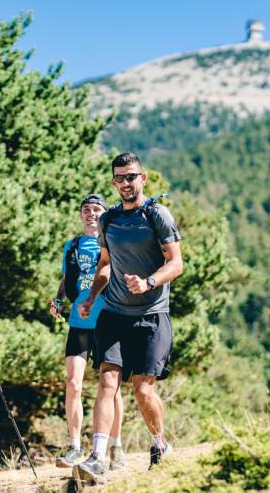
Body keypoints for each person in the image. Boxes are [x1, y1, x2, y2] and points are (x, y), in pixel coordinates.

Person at [75, 153, 183, 482]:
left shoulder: (156, 215)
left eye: (131, 176)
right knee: (108, 382)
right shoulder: (109, 220)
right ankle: (96, 457)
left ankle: (159, 442)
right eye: (119, 178)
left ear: (143, 178)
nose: (125, 183)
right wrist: (93, 296)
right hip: (114, 313)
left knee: (143, 390)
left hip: (152, 315)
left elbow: (176, 263)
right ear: (113, 182)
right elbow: (105, 262)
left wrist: (149, 281)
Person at [49, 194, 126, 470]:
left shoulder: (112, 244)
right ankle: (74, 446)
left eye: (96, 210)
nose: (90, 214)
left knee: (111, 388)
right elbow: (66, 278)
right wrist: (58, 300)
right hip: (78, 323)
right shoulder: (71, 246)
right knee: (73, 384)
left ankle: (115, 446)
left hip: (108, 320)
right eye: (86, 210)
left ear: (104, 214)